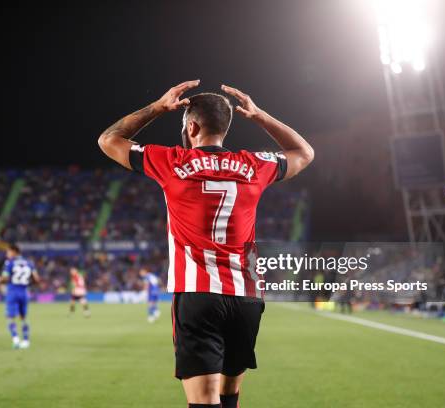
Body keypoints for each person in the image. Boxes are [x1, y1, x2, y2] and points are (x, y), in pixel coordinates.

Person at [98, 80, 314, 407]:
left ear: (192, 126)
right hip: (246, 297)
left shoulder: (172, 162)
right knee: (229, 400)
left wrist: (157, 108)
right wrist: (259, 116)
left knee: (204, 403)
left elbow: (109, 140)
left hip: (198, 295)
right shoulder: (254, 165)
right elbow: (304, 153)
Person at [0, 244, 40, 349]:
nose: (7, 254)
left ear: (14, 252)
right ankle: (26, 341)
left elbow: (5, 278)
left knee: (10, 317)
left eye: (8, 252)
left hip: (13, 292)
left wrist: (0, 280)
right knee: (23, 317)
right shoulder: (29, 263)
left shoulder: (9, 263)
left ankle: (16, 340)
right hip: (24, 292)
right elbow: (37, 279)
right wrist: (27, 283)